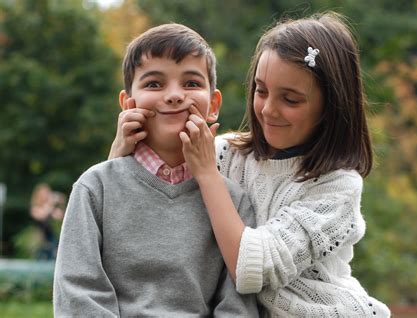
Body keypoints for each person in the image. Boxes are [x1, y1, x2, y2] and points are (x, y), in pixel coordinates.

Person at [109, 12, 391, 317]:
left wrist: (206, 174)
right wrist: (120, 154)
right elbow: (142, 211)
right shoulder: (226, 154)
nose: (269, 110)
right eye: (261, 90)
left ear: (329, 107)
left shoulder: (336, 187)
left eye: (291, 100)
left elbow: (252, 271)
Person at [54, 23, 258, 317]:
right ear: (128, 103)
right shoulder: (94, 187)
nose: (175, 95)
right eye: (154, 84)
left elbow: (238, 305)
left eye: (191, 83)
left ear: (213, 104)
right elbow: (77, 292)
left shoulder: (234, 201)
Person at [29, 183, 65, 259]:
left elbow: (60, 216)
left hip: (54, 241)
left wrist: (60, 202)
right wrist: (51, 202)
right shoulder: (35, 209)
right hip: (40, 242)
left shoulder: (51, 209)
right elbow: (42, 215)